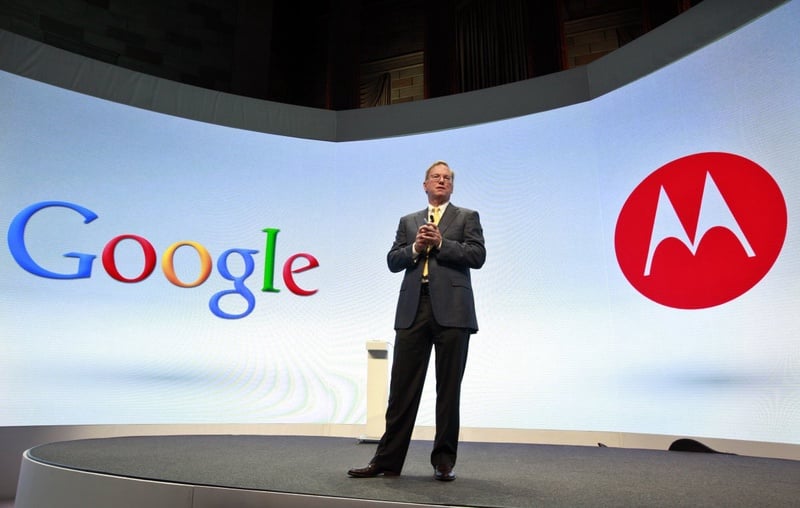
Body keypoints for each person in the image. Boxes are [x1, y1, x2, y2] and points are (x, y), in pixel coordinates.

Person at [348, 160, 486, 481]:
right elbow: (393, 261)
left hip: (453, 310)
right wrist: (416, 246)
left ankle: (443, 461)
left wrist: (440, 243)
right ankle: (387, 460)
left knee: (448, 389)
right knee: (401, 390)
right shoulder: (408, 221)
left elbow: (477, 256)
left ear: (451, 186)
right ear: (424, 185)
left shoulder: (467, 217)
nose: (441, 181)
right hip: (413, 309)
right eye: (435, 177)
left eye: (447, 178)